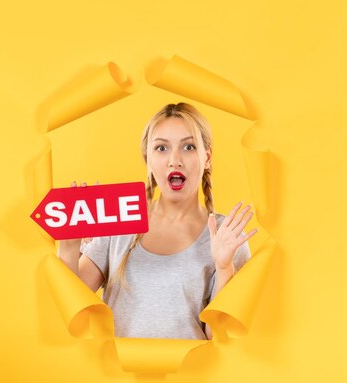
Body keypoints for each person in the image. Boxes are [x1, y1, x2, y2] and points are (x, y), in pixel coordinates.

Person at [57, 102, 257, 340]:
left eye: (189, 146)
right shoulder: (119, 217)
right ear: (147, 159)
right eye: (161, 148)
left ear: (207, 157)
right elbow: (75, 301)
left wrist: (224, 268)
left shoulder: (226, 235)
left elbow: (221, 336)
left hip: (193, 375)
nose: (175, 160)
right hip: (117, 374)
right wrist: (69, 245)